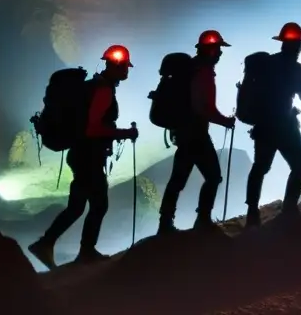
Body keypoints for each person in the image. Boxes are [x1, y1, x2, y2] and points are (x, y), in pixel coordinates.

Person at [29, 45, 138, 268]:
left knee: (77, 207)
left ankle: (46, 244)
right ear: (118, 66)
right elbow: (92, 129)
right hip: (88, 156)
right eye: (126, 66)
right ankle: (84, 252)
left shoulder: (95, 86)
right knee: (99, 205)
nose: (128, 70)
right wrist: (124, 133)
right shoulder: (104, 90)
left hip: (81, 155)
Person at [245, 22, 301, 227]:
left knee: (260, 167)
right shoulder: (297, 68)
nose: (299, 48)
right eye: (299, 44)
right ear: (297, 45)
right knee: (299, 165)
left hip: (263, 125)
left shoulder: (265, 64)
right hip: (285, 126)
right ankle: (289, 209)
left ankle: (252, 211)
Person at [158, 30, 236, 234]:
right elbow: (203, 107)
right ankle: (202, 219)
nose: (220, 53)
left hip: (184, 133)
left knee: (178, 179)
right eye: (218, 49)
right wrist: (224, 121)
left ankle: (165, 223)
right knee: (213, 177)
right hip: (196, 134)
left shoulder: (191, 68)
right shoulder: (204, 72)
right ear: (211, 50)